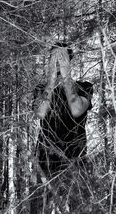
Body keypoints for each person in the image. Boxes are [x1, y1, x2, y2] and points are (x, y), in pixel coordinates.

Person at [33, 42, 93, 176]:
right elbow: (40, 112)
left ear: (69, 61)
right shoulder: (41, 89)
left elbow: (77, 110)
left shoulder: (84, 87)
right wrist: (51, 81)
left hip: (75, 158)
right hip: (45, 159)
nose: (58, 62)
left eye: (62, 57)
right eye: (54, 58)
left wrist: (66, 77)